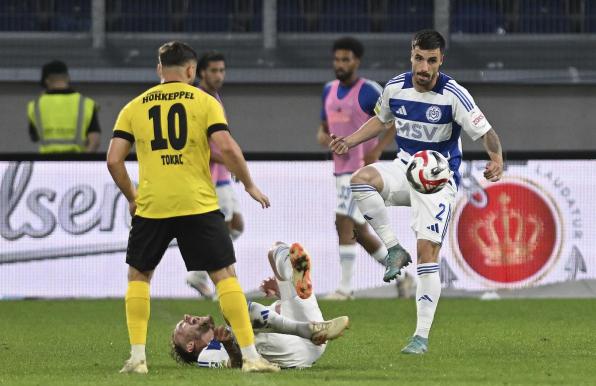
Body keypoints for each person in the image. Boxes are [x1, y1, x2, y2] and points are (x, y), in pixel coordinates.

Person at [107, 41, 278, 374]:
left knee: (139, 276)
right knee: (224, 276)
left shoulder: (134, 106)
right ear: (190, 70)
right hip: (197, 202)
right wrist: (249, 184)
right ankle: (251, 357)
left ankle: (138, 358)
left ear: (159, 69)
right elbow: (227, 148)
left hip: (153, 204)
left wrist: (132, 195)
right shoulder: (205, 101)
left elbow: (114, 160)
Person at [330, 30, 504, 354]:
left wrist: (497, 158)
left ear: (441, 60)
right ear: (411, 54)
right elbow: (380, 121)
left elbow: (487, 132)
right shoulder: (396, 87)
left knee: (427, 254)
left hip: (438, 179)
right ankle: (394, 250)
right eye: (419, 58)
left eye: (431, 61)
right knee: (360, 179)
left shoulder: (454, 94)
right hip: (405, 166)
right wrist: (349, 141)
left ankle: (420, 337)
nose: (424, 67)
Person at [171, 242, 350, 369]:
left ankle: (294, 275)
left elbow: (279, 313)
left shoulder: (234, 326)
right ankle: (308, 329)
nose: (186, 317)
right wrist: (229, 347)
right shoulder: (205, 356)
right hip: (298, 351)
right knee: (236, 312)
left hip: (313, 332)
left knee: (274, 251)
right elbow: (235, 364)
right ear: (190, 346)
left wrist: (281, 293)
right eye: (182, 326)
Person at [316, 36, 402, 300]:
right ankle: (404, 277)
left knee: (344, 220)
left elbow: (393, 120)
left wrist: (377, 149)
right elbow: (323, 129)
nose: (340, 64)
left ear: (357, 61)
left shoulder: (369, 91)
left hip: (363, 171)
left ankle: (345, 288)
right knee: (359, 231)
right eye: (337, 59)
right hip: (339, 170)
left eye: (346, 59)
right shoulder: (328, 90)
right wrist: (323, 139)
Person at [186, 51, 244, 299]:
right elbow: (199, 145)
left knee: (236, 226)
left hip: (220, 176)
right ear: (201, 72)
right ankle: (226, 288)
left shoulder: (214, 97)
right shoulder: (199, 99)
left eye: (222, 70)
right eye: (214, 71)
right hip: (208, 178)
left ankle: (199, 273)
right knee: (220, 231)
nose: (219, 75)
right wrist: (231, 161)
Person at [27, 60, 100, 153]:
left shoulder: (35, 105)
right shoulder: (86, 103)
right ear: (68, 78)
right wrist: (82, 160)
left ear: (46, 81)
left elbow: (34, 137)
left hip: (46, 163)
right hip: (76, 163)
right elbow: (95, 141)